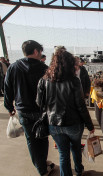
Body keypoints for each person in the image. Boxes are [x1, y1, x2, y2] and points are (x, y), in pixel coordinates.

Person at [36, 48, 94, 176]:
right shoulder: (74, 81)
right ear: (70, 64)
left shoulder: (44, 80)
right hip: (74, 123)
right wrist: (90, 125)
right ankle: (79, 170)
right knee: (76, 148)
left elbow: (39, 102)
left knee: (63, 154)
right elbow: (81, 106)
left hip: (54, 124)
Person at [4, 40, 53, 176]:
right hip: (41, 111)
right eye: (40, 52)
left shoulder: (13, 67)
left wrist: (9, 106)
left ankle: (40, 168)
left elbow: (7, 88)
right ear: (36, 51)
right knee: (42, 137)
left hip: (22, 110)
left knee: (31, 139)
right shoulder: (44, 68)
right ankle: (42, 164)